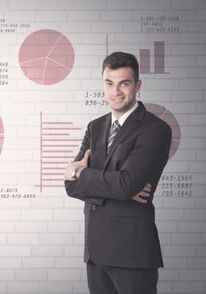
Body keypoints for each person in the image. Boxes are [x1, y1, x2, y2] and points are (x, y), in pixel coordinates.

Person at [64, 51, 172, 294]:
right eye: (109, 83)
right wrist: (118, 187)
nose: (116, 91)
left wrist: (83, 175)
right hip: (95, 251)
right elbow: (71, 185)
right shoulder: (96, 126)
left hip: (131, 253)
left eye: (124, 83)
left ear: (137, 85)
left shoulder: (155, 129)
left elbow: (125, 185)